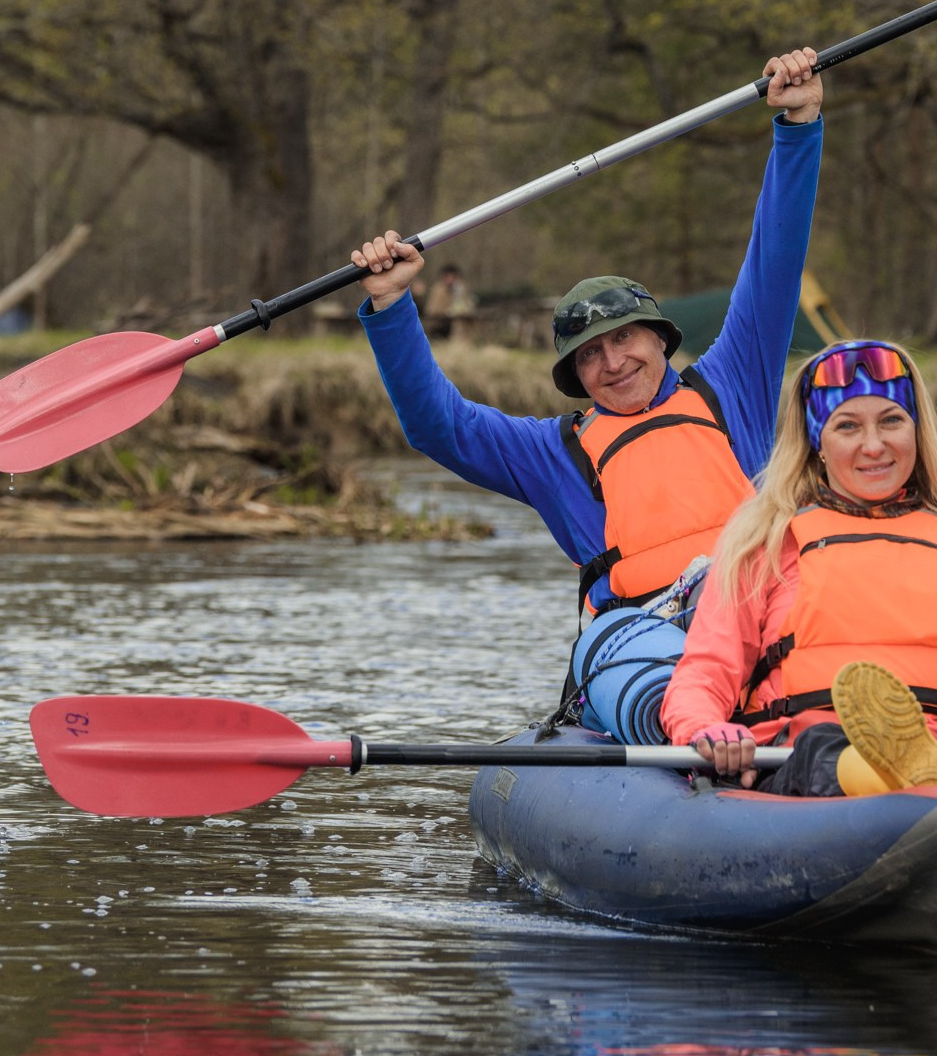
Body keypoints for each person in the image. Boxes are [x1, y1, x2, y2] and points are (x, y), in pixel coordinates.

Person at [350, 47, 823, 744]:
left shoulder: (733, 383)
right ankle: (695, 730)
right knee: (651, 675)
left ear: (660, 338)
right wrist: (392, 307)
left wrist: (797, 126)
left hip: (759, 606)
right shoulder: (553, 452)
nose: (614, 361)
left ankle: (850, 729)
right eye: (591, 355)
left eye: (625, 338)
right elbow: (435, 425)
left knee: (836, 617)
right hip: (644, 632)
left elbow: (774, 259)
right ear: (577, 378)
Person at [664, 338, 937, 797]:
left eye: (892, 421)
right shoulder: (764, 545)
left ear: (917, 432)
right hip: (809, 760)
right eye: (848, 426)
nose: (874, 445)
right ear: (817, 442)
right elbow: (703, 674)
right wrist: (704, 726)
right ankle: (915, 766)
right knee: (835, 748)